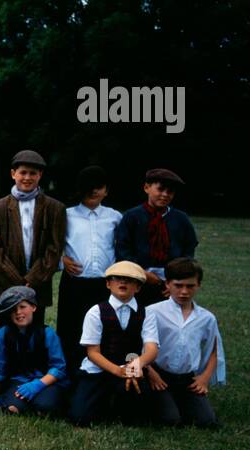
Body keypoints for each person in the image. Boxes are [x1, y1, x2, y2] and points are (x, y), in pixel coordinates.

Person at [68, 261, 168, 427]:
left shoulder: (146, 314)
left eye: (129, 280)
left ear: (138, 287)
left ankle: (120, 406)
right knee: (80, 418)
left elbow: (151, 350)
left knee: (139, 419)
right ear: (108, 283)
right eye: (118, 278)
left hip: (132, 369)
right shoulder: (95, 312)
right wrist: (118, 371)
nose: (123, 282)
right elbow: (92, 353)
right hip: (99, 370)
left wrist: (135, 366)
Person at [0, 150, 66, 351]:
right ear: (13, 174)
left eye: (33, 173)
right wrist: (19, 282)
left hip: (38, 284)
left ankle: (33, 372)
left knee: (34, 334)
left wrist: (33, 280)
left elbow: (55, 247)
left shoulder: (55, 208)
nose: (27, 177)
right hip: (5, 283)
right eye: (23, 173)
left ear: (40, 176)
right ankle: (1, 375)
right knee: (3, 332)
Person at [144, 258, 224, 427]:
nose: (184, 292)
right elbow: (137, 347)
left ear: (199, 285)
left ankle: (180, 402)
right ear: (167, 284)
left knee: (207, 422)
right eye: (178, 285)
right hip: (159, 376)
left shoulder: (206, 318)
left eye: (190, 286)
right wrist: (150, 373)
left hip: (187, 378)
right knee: (169, 420)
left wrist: (204, 378)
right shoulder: (153, 312)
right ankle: (164, 404)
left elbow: (214, 351)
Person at [57, 165, 122, 375]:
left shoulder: (115, 217)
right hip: (74, 283)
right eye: (89, 187)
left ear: (106, 190)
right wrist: (61, 259)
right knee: (71, 330)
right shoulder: (66, 215)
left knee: (104, 329)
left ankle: (101, 371)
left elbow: (121, 247)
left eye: (99, 187)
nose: (94, 191)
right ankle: (69, 373)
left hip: (104, 284)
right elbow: (52, 245)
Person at [115, 168, 199, 307]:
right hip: (137, 279)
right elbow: (123, 250)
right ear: (146, 188)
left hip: (171, 282)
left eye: (170, 192)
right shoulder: (132, 217)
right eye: (160, 189)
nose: (165, 195)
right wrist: (142, 273)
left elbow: (188, 250)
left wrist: (175, 279)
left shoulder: (181, 219)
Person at [0, 286, 68, 416]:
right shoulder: (3, 334)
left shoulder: (48, 333)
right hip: (18, 380)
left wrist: (38, 385)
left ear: (34, 308)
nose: (18, 312)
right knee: (12, 408)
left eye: (22, 307)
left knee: (45, 406)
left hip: (45, 381)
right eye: (13, 309)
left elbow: (58, 368)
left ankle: (39, 403)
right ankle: (20, 404)